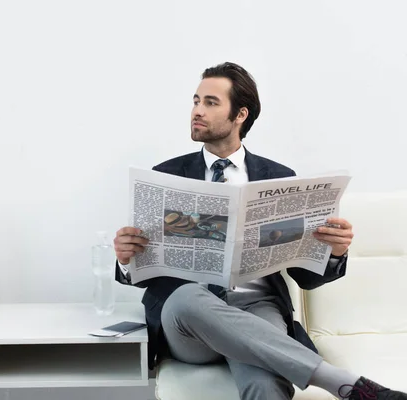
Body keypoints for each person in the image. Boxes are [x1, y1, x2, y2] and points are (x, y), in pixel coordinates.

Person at [114, 62, 407, 400]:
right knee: (186, 298)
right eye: (196, 100)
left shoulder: (280, 177)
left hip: (258, 306)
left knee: (266, 383)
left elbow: (304, 276)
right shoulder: (166, 175)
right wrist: (125, 258)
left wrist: (334, 253)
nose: (197, 110)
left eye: (211, 102)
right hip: (188, 320)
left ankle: (351, 389)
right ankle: (340, 381)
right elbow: (144, 274)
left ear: (240, 114)